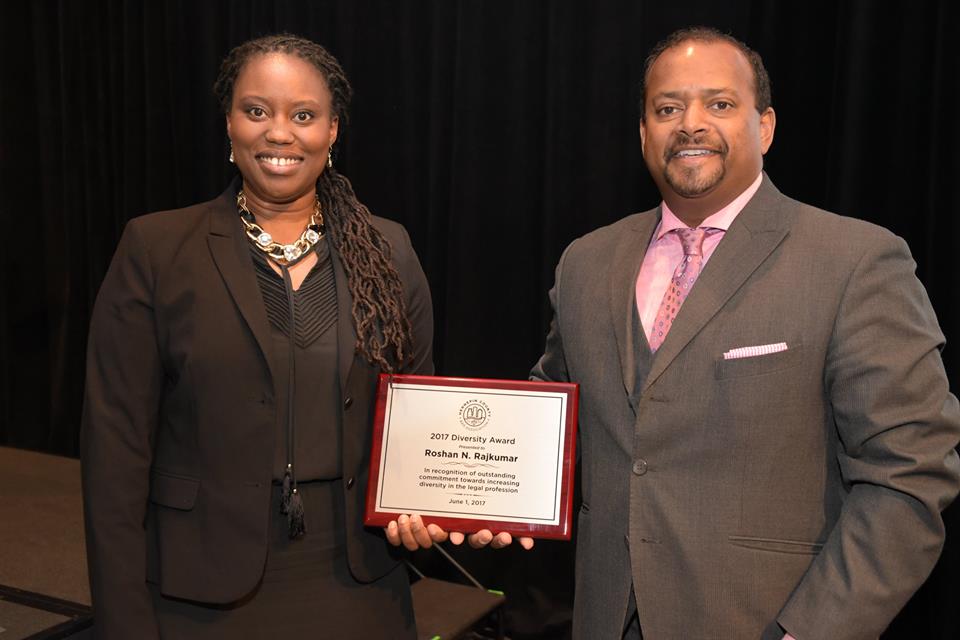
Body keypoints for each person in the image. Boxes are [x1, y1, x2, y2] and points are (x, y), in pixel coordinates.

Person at [528, 26, 960, 640]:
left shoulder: (854, 260)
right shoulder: (585, 263)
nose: (690, 124)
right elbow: (546, 426)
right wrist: (455, 501)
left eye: (720, 104)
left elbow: (911, 475)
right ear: (643, 131)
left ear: (765, 127)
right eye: (668, 108)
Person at [81, 34, 434, 638]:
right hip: (197, 590)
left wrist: (427, 500)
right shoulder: (157, 248)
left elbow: (422, 417)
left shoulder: (388, 250)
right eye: (256, 111)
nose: (279, 133)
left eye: (304, 115)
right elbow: (113, 458)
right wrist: (122, 621)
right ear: (228, 123)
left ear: (332, 131)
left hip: (359, 583)